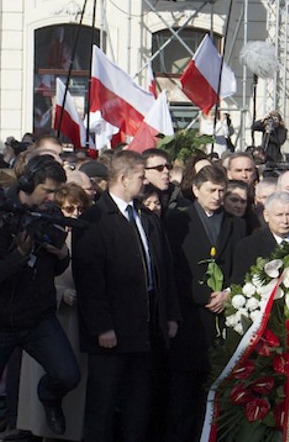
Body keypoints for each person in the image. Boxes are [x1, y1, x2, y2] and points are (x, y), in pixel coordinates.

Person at [72, 150, 181, 442]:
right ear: (123, 178)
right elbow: (89, 279)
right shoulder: (95, 220)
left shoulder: (146, 218)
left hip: (145, 328)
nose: (146, 182)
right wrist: (102, 326)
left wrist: (169, 314)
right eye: (141, 176)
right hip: (112, 331)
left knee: (139, 404)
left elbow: (163, 268)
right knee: (103, 406)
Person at [0, 156, 80, 437]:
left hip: (37, 318)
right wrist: (18, 255)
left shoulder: (48, 214)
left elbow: (56, 267)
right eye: (48, 190)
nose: (53, 197)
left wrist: (62, 254)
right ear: (29, 184)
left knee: (68, 374)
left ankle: (49, 398)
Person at [164, 165, 247, 442]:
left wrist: (228, 293)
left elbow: (240, 265)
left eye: (221, 191)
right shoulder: (178, 220)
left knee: (214, 387)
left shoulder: (236, 224)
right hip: (190, 315)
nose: (217, 196)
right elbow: (173, 267)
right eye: (211, 190)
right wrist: (202, 295)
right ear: (196, 190)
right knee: (183, 391)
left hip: (223, 314)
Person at [17, 183, 92, 441]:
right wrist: (62, 293)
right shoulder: (46, 233)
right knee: (49, 373)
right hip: (52, 315)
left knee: (74, 377)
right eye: (70, 208)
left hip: (79, 317)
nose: (75, 213)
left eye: (80, 208)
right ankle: (41, 430)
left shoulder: (86, 234)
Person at [230, 192, 289, 284]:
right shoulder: (248, 246)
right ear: (266, 216)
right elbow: (239, 282)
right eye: (279, 215)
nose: (285, 221)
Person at [142, 148, 178, 214]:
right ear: (144, 172)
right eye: (159, 168)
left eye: (168, 167)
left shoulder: (178, 199)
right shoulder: (134, 201)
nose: (166, 171)